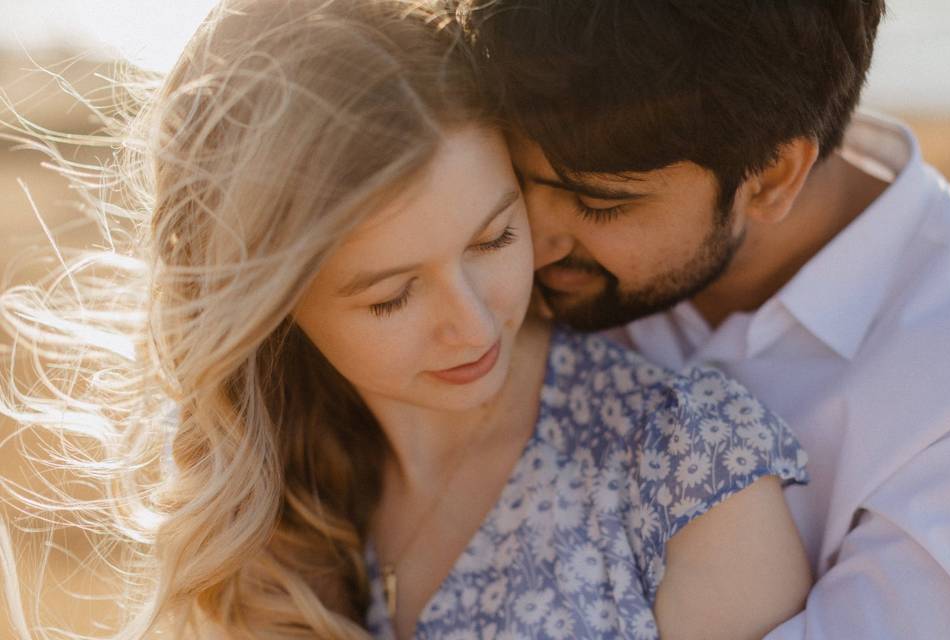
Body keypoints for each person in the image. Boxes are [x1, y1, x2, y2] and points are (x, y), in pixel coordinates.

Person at [0, 1, 811, 639]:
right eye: (391, 294)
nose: (473, 324)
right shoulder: (279, 506)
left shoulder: (686, 465)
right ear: (274, 305)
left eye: (494, 237)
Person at [456, 1, 950, 638]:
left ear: (772, 179)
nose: (537, 240)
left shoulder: (946, 394)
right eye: (520, 179)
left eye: (598, 203)